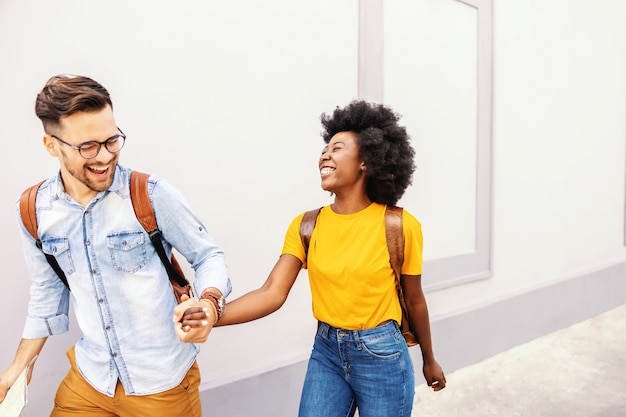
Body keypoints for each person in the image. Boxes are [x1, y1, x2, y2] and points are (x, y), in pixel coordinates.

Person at [178, 100, 446, 416]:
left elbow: (414, 300)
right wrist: (210, 314)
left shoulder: (399, 225)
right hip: (327, 351)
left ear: (366, 161)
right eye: (324, 149)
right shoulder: (307, 225)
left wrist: (429, 358)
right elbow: (271, 293)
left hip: (382, 354)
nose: (325, 155)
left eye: (338, 148)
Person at [0, 74, 231, 417]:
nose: (105, 156)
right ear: (52, 145)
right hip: (90, 381)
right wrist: (19, 366)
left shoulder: (150, 194)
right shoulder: (33, 210)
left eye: (112, 141)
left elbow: (208, 255)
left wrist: (210, 302)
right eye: (88, 146)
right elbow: (47, 294)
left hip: (161, 385)